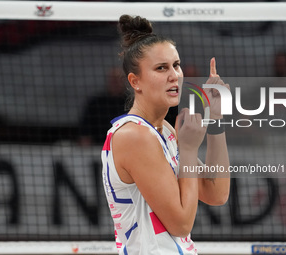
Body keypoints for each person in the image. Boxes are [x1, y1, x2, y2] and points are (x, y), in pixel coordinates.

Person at [102, 15, 230, 254]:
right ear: (135, 81)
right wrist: (189, 150)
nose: (174, 75)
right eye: (161, 68)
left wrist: (216, 118)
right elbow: (181, 224)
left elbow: (217, 193)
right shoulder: (134, 136)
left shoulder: (164, 131)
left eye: (176, 65)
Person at [79, 67, 126, 146]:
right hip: (99, 149)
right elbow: (85, 134)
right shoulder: (95, 104)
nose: (115, 83)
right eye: (113, 80)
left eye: (118, 80)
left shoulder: (132, 103)